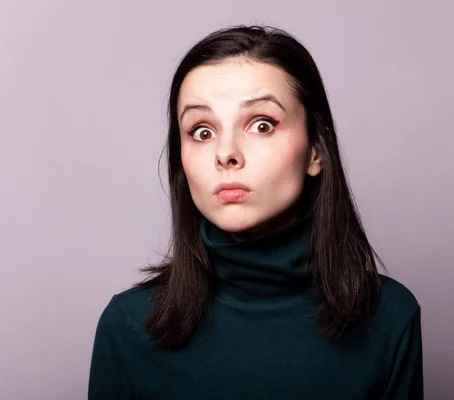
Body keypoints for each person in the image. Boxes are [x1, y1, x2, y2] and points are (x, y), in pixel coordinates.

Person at [88, 24, 423, 399]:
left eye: (261, 124)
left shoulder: (390, 318)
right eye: (201, 131)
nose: (225, 152)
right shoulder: (128, 325)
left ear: (316, 151)